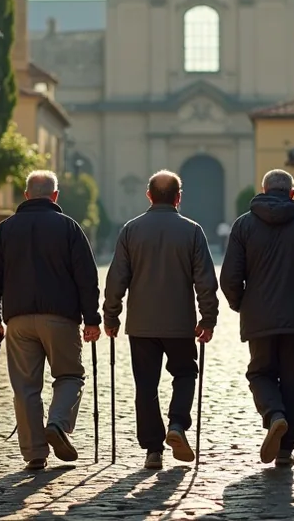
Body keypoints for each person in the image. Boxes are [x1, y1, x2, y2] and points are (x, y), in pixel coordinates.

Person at [0, 170, 102, 472]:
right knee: (70, 376)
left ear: (26, 195)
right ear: (55, 196)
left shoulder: (5, 229)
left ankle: (35, 453)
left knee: (25, 387)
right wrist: (92, 319)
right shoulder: (69, 228)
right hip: (61, 318)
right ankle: (58, 424)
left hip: (19, 320)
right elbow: (87, 277)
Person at [220, 169, 294, 467]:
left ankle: (274, 415)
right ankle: (286, 449)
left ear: (263, 189)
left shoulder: (244, 225)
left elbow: (230, 277)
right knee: (292, 380)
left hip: (259, 317)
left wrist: (241, 304)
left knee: (259, 373)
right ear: (292, 193)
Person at [103, 170, 219, 470]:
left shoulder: (131, 230)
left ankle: (153, 450)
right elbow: (205, 280)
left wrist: (111, 315)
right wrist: (208, 318)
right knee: (185, 374)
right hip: (180, 323)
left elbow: (117, 278)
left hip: (141, 324)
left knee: (146, 385)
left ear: (149, 195)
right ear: (179, 197)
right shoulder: (192, 231)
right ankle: (177, 424)